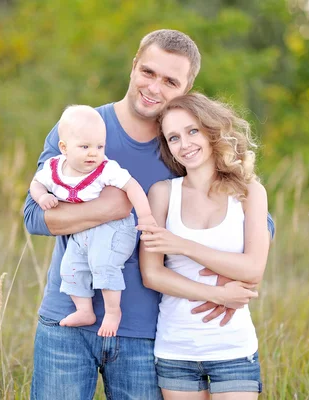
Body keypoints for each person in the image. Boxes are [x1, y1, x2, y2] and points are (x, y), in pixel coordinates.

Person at [23, 29, 274, 399]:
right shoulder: (83, 127)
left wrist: (231, 283)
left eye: (170, 81)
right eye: (149, 72)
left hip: (146, 332)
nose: (154, 87)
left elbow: (253, 216)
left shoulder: (182, 146)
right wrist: (108, 208)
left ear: (187, 87)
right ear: (134, 66)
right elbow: (34, 216)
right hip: (67, 320)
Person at [138, 93, 269, 399]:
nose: (185, 144)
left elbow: (253, 268)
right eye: (174, 137)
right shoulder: (162, 194)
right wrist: (219, 294)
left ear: (212, 131)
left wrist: (183, 245)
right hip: (176, 349)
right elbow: (152, 275)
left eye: (192, 130)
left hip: (234, 348)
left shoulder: (250, 192)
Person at [29, 104, 157, 337]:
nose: (93, 153)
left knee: (102, 263)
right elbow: (35, 184)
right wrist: (43, 196)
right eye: (85, 147)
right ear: (64, 148)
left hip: (115, 229)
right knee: (69, 268)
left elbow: (132, 186)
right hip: (81, 233)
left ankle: (112, 311)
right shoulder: (54, 168)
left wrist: (146, 215)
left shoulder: (106, 168)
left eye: (99, 146)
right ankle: (84, 310)